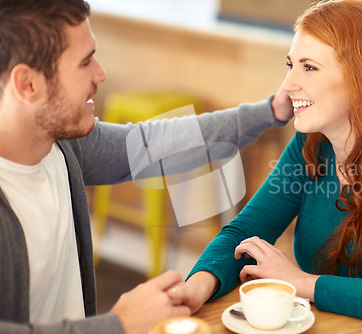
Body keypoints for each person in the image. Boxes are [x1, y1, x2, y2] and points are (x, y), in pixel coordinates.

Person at [170, 1, 362, 333]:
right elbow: (242, 233)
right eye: (290, 64)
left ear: (361, 77)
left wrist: (304, 283)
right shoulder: (310, 147)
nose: (288, 85)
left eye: (309, 67)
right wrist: (197, 286)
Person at [0, 1, 293, 334]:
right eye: (84, 62)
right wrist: (118, 324)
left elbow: (159, 143)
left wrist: (271, 111)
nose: (100, 74)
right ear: (28, 85)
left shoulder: (63, 147)